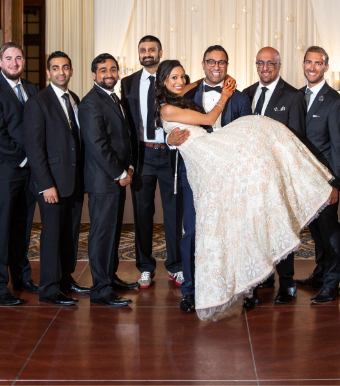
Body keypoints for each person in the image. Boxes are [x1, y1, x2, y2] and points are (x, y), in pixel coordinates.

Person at [156, 59, 333, 321]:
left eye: (183, 76)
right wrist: (223, 96)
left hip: (215, 159)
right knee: (197, 231)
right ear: (163, 81)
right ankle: (194, 290)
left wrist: (206, 81)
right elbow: (208, 119)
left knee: (244, 213)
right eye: (174, 77)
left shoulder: (190, 93)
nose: (181, 81)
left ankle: (252, 278)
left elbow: (186, 88)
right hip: (205, 164)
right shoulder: (169, 107)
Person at [166, 45, 252, 313]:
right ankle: (190, 291)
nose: (216, 67)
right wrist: (169, 139)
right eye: (211, 62)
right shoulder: (185, 93)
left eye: (221, 62)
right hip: (194, 175)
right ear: (203, 64)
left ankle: (238, 287)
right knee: (192, 232)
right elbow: (167, 124)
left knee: (232, 231)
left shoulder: (240, 98)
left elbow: (246, 136)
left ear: (227, 65)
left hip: (228, 175)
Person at [242, 46, 306, 304]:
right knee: (255, 228)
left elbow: (297, 139)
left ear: (279, 66)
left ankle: (287, 282)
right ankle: (261, 277)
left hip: (279, 175)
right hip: (251, 176)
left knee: (281, 228)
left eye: (270, 63)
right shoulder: (246, 94)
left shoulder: (293, 95)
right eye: (260, 63)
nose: (265, 68)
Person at [119, 36, 183, 289]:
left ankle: (175, 266)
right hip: (142, 156)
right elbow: (127, 123)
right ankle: (145, 267)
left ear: (160, 52)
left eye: (152, 50)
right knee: (142, 213)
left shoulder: (173, 79)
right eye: (143, 50)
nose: (147, 53)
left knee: (173, 213)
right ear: (139, 53)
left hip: (169, 153)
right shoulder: (127, 83)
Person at [25, 51, 87, 306]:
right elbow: (34, 148)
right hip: (52, 183)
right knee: (52, 236)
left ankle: (65, 279)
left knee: (70, 233)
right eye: (56, 68)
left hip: (73, 181)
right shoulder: (38, 102)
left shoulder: (74, 98)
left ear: (71, 70)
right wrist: (46, 184)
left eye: (65, 67)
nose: (61, 72)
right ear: (48, 72)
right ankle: (49, 288)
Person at [0, 42, 38, 306]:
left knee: (22, 227)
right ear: (0, 62)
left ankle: (21, 278)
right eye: (9, 58)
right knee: (0, 230)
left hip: (27, 172)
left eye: (19, 58)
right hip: (2, 171)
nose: (14, 63)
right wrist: (24, 159)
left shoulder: (31, 88)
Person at [79, 53, 138, 307]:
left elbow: (124, 136)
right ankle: (100, 289)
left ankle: (109, 277)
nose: (109, 74)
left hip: (116, 178)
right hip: (103, 180)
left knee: (113, 232)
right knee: (102, 234)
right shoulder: (91, 102)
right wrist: (120, 173)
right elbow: (98, 144)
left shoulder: (114, 98)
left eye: (113, 69)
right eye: (103, 70)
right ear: (94, 74)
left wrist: (130, 167)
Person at [295, 46, 340, 304]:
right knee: (315, 229)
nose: (312, 67)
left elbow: (338, 147)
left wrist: (334, 184)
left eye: (318, 63)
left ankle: (332, 281)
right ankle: (320, 271)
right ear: (303, 64)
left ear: (326, 67)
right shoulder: (297, 96)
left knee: (329, 231)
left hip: (325, 180)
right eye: (309, 62)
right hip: (302, 179)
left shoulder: (335, 101)